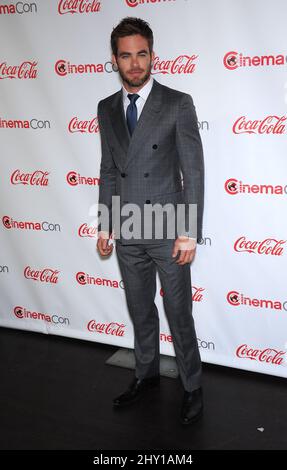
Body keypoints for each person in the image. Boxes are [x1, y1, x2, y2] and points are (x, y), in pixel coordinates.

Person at [96, 17, 204, 425]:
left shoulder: (177, 102)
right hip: (125, 226)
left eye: (142, 53)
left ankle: (193, 386)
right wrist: (106, 224)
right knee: (140, 308)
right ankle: (147, 376)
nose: (135, 63)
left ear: (152, 55)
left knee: (178, 311)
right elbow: (108, 169)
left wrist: (189, 233)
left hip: (167, 227)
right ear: (115, 60)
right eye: (126, 55)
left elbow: (193, 171)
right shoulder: (106, 108)